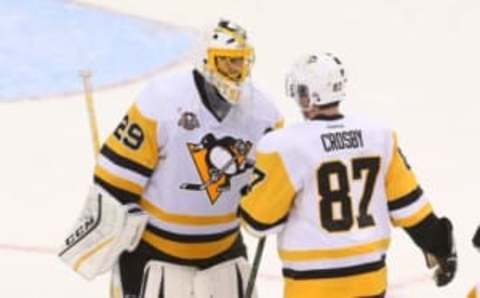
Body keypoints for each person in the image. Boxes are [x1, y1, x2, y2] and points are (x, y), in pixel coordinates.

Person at [58, 19, 283, 298]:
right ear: (205, 60)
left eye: (241, 62)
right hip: (156, 257)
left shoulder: (265, 117)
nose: (236, 71)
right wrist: (118, 235)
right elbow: (113, 180)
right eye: (227, 61)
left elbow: (270, 192)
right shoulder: (162, 101)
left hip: (223, 256)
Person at [239, 53, 457, 298]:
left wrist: (250, 189)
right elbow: (409, 206)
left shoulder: (286, 145)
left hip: (311, 288)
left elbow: (256, 223)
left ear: (307, 95)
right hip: (370, 284)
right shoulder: (379, 136)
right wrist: (440, 245)